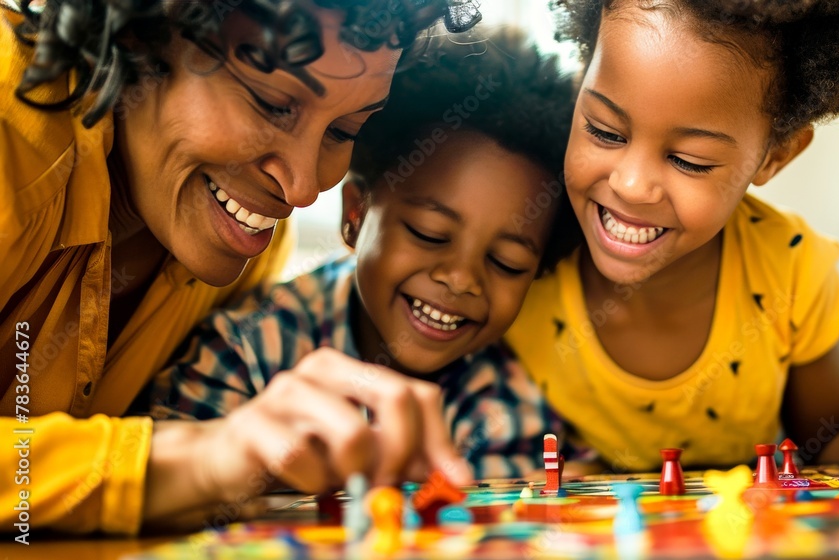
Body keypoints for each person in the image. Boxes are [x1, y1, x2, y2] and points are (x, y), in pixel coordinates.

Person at [1, 0, 482, 534]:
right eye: (271, 104)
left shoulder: (239, 243)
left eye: (344, 131)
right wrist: (199, 459)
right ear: (137, 32)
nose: (300, 188)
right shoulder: (9, 116)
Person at [505, 0, 839, 482]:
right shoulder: (514, 252)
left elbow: (831, 436)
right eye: (605, 130)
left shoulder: (787, 271)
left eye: (690, 161)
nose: (631, 185)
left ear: (774, 157)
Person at [141, 32, 595, 480]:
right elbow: (162, 495)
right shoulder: (245, 352)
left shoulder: (515, 400)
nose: (461, 279)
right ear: (355, 214)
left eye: (507, 264)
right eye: (428, 234)